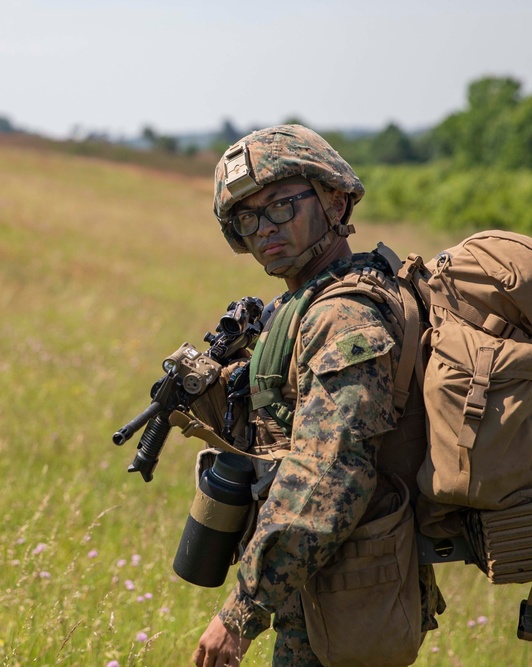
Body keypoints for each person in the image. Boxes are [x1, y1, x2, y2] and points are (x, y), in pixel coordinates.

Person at [192, 125, 444, 666]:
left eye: (281, 207)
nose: (264, 230)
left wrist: (241, 612)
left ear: (334, 199)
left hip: (348, 589)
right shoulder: (302, 305)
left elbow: (332, 472)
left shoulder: (342, 315)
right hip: (318, 584)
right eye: (248, 218)